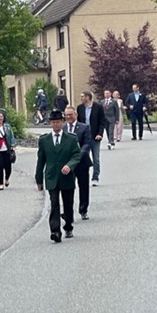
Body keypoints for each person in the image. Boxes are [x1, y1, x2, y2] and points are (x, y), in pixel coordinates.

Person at [35, 110, 82, 243]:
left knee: (68, 203)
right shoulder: (44, 140)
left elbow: (76, 155)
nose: (55, 125)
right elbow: (41, 161)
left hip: (66, 176)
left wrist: (70, 165)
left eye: (58, 122)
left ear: (62, 122)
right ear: (50, 123)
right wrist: (38, 179)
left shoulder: (71, 139)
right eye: (53, 122)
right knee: (54, 203)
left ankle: (68, 225)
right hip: (51, 177)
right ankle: (55, 231)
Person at [63, 106, 94, 220]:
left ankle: (83, 209)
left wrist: (78, 156)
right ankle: (68, 213)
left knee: (83, 187)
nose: (68, 117)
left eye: (70, 115)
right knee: (67, 189)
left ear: (75, 115)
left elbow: (87, 143)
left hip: (81, 162)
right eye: (66, 115)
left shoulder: (84, 127)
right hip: (67, 164)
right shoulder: (63, 128)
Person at [76, 91, 105, 183]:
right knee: (84, 156)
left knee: (95, 158)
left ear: (88, 97)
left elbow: (102, 121)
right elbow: (79, 122)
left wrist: (100, 134)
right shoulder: (80, 108)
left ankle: (95, 177)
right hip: (84, 137)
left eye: (82, 96)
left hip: (95, 136)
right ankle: (85, 176)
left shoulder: (98, 107)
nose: (81, 98)